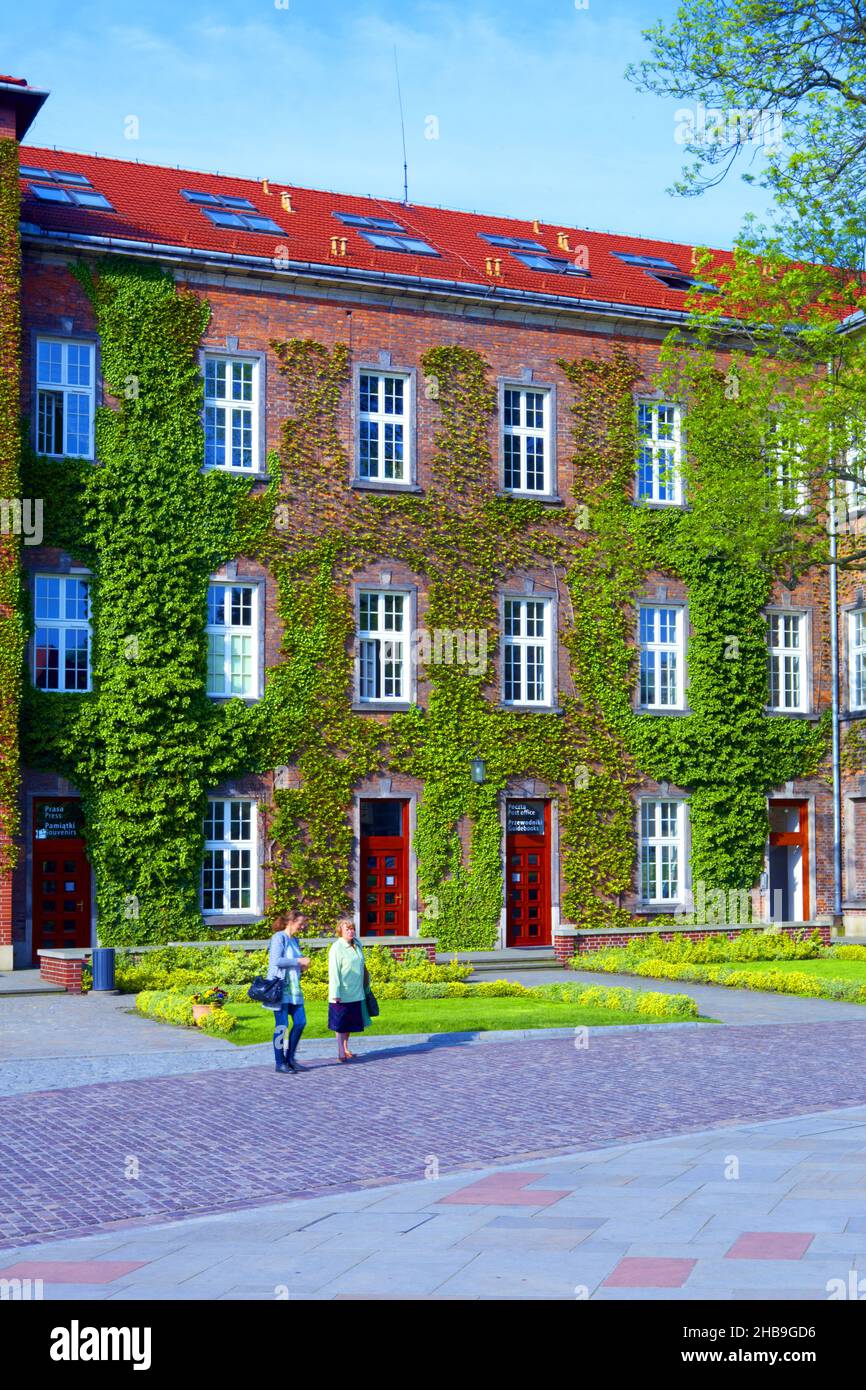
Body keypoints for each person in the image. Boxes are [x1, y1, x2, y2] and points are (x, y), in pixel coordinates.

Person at [267, 911, 310, 1074]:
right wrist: (298, 960)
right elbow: (276, 961)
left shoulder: (295, 940)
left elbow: (293, 964)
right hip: (280, 989)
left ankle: (290, 1058)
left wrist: (302, 967)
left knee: (300, 1022)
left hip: (294, 989)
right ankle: (280, 1062)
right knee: (281, 1027)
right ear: (291, 922)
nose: (303, 926)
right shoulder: (279, 937)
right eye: (301, 922)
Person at [327, 918, 370, 1062]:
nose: (351, 932)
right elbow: (334, 972)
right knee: (340, 1023)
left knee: (350, 1023)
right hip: (342, 992)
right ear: (341, 931)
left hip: (356, 991)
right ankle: (340, 1052)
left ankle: (346, 1048)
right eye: (347, 929)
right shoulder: (336, 948)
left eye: (352, 929)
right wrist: (335, 993)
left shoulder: (357, 944)